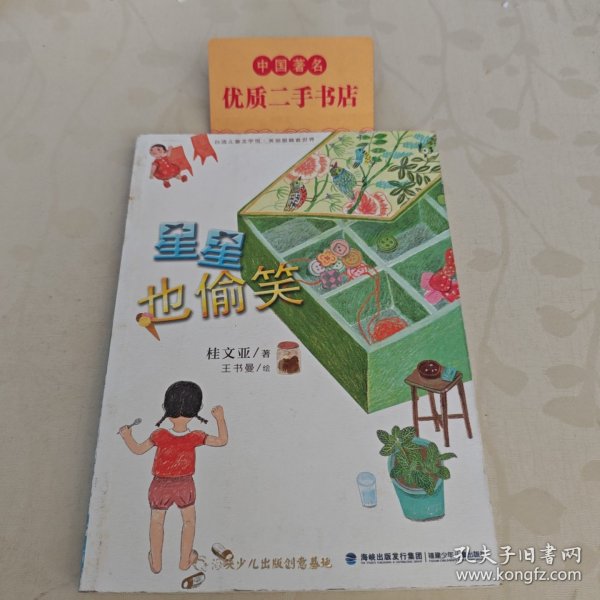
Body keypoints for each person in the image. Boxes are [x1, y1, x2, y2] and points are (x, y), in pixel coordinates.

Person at [119, 381, 228, 574]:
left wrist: (127, 436)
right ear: (197, 410)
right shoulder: (196, 436)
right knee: (189, 522)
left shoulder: (159, 435)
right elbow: (222, 441)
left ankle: (156, 563)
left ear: (165, 408)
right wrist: (220, 418)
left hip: (159, 485)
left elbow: (137, 449)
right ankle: (185, 561)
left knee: (156, 522)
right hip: (185, 485)